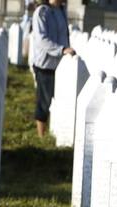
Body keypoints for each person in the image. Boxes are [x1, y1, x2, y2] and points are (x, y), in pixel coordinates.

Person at [30, 0, 74, 139]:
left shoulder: (61, 10)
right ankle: (41, 137)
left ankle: (55, 132)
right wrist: (61, 50)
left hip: (60, 65)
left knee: (57, 100)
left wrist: (67, 51)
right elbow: (42, 39)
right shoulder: (42, 12)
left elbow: (64, 35)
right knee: (44, 101)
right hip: (45, 65)